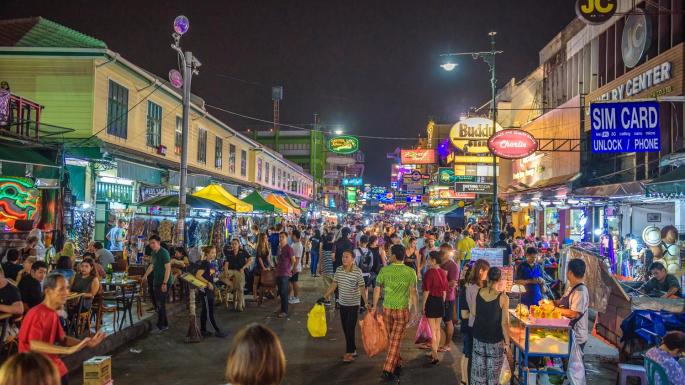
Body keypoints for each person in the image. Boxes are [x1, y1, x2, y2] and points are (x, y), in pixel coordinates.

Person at [18, 273, 106, 385]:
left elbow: (62, 338)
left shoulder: (52, 314)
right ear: (48, 291)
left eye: (67, 288)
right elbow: (34, 344)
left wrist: (87, 343)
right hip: (38, 373)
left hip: (54, 369)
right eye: (61, 289)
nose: (67, 293)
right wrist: (68, 350)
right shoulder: (37, 313)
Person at [371, 244, 418, 381]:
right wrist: (415, 310)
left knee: (392, 340)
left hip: (387, 309)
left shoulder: (384, 270)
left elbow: (377, 289)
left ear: (394, 256)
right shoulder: (410, 272)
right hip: (402, 311)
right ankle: (394, 364)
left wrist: (374, 307)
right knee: (395, 340)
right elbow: (413, 293)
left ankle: (388, 368)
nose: (387, 254)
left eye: (389, 253)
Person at [323, 250, 367, 363]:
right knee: (346, 329)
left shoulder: (357, 271)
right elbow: (334, 284)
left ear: (353, 259)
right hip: (342, 304)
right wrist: (325, 296)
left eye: (346, 257)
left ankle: (349, 353)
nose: (344, 259)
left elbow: (362, 287)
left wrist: (366, 302)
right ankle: (353, 350)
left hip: (353, 304)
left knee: (349, 328)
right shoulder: (338, 270)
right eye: (343, 256)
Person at [471, 267, 510, 385]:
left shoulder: (479, 292)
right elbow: (505, 323)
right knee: (493, 376)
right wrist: (507, 343)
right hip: (495, 340)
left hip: (478, 337)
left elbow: (473, 312)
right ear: (500, 280)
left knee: (479, 374)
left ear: (487, 278)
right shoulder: (503, 298)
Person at [463, 259, 491, 385]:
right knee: (474, 357)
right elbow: (473, 310)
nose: (488, 274)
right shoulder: (472, 287)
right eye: (487, 271)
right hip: (475, 325)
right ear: (481, 271)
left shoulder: (482, 286)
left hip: (480, 325)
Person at [422, 251, 448, 365]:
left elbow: (426, 291)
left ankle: (435, 355)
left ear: (433, 260)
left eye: (429, 259)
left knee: (432, 330)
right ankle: (434, 351)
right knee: (437, 329)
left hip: (431, 301)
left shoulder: (429, 273)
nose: (427, 261)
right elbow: (445, 291)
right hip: (440, 301)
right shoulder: (443, 272)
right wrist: (442, 302)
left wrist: (423, 305)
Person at [142, 235, 172, 333]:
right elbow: (152, 265)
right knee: (159, 303)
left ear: (158, 242)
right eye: (150, 243)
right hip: (156, 281)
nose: (151, 245)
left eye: (153, 243)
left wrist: (164, 283)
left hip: (164, 282)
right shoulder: (153, 253)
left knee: (160, 304)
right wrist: (145, 275)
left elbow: (168, 268)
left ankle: (160, 326)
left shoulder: (164, 253)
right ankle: (165, 324)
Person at [195, 246, 227, 338]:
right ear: (207, 254)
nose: (214, 254)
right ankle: (216, 330)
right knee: (209, 311)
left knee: (205, 311)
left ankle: (203, 330)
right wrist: (208, 283)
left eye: (214, 252)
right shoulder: (204, 263)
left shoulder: (210, 263)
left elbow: (209, 275)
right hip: (205, 290)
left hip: (208, 290)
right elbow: (198, 275)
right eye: (212, 253)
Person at [439, 243, 459, 354]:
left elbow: (453, 282)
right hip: (439, 297)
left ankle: (447, 344)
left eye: (443, 252)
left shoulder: (452, 266)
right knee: (442, 320)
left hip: (448, 298)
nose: (440, 254)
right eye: (440, 252)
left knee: (448, 321)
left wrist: (439, 284)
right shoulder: (441, 263)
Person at [223, 239, 252, 311]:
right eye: (232, 244)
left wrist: (244, 267)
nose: (234, 245)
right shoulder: (229, 253)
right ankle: (231, 285)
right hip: (231, 271)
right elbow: (226, 264)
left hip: (240, 270)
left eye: (235, 244)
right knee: (221, 276)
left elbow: (250, 259)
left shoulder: (242, 251)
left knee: (240, 288)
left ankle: (239, 306)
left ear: (239, 244)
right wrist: (226, 272)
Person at [275, 232, 294, 318]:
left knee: (284, 292)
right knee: (281, 292)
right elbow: (277, 258)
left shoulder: (289, 248)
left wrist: (290, 270)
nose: (281, 238)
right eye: (280, 237)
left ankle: (285, 311)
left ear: (286, 238)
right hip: (278, 272)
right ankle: (282, 309)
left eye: (282, 237)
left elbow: (293, 260)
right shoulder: (279, 248)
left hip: (285, 273)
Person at [252, 233, 271, 305]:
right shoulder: (259, 247)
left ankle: (266, 293)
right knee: (255, 282)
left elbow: (267, 257)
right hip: (258, 267)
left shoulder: (266, 245)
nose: (267, 239)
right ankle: (254, 296)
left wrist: (270, 265)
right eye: (265, 237)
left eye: (266, 237)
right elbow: (259, 258)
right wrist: (263, 267)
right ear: (262, 238)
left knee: (265, 282)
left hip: (264, 266)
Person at [318, 233, 336, 305]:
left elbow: (321, 258)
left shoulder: (323, 247)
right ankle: (337, 299)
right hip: (333, 270)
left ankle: (328, 300)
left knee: (327, 286)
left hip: (326, 269)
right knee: (335, 285)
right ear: (332, 239)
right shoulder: (334, 247)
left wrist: (319, 268)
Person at [288, 230, 303, 305]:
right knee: (291, 282)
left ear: (294, 236)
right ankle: (291, 296)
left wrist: (294, 268)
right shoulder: (294, 243)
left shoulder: (298, 245)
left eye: (291, 235)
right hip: (292, 266)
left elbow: (297, 258)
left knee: (294, 282)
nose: (290, 236)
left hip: (295, 267)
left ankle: (296, 297)